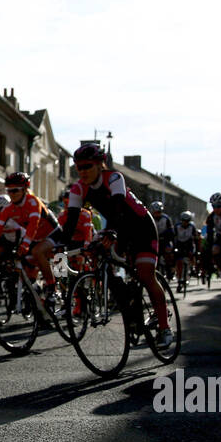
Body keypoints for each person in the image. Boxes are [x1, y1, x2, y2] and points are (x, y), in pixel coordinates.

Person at [60, 143, 173, 348]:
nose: (83, 171)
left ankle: (164, 327)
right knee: (95, 254)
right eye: (79, 167)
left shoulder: (113, 178)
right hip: (118, 229)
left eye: (88, 166)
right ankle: (120, 297)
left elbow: (118, 208)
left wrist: (112, 231)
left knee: (146, 274)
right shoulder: (78, 188)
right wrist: (59, 244)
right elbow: (70, 221)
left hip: (141, 228)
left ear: (100, 164)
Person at [0, 172, 61, 302]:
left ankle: (52, 288)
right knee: (25, 267)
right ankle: (36, 291)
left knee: (37, 252)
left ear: (24, 189)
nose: (12, 194)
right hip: (35, 238)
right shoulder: (8, 208)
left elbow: (33, 225)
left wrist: (25, 244)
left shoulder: (33, 202)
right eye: (9, 191)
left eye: (15, 190)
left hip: (52, 233)